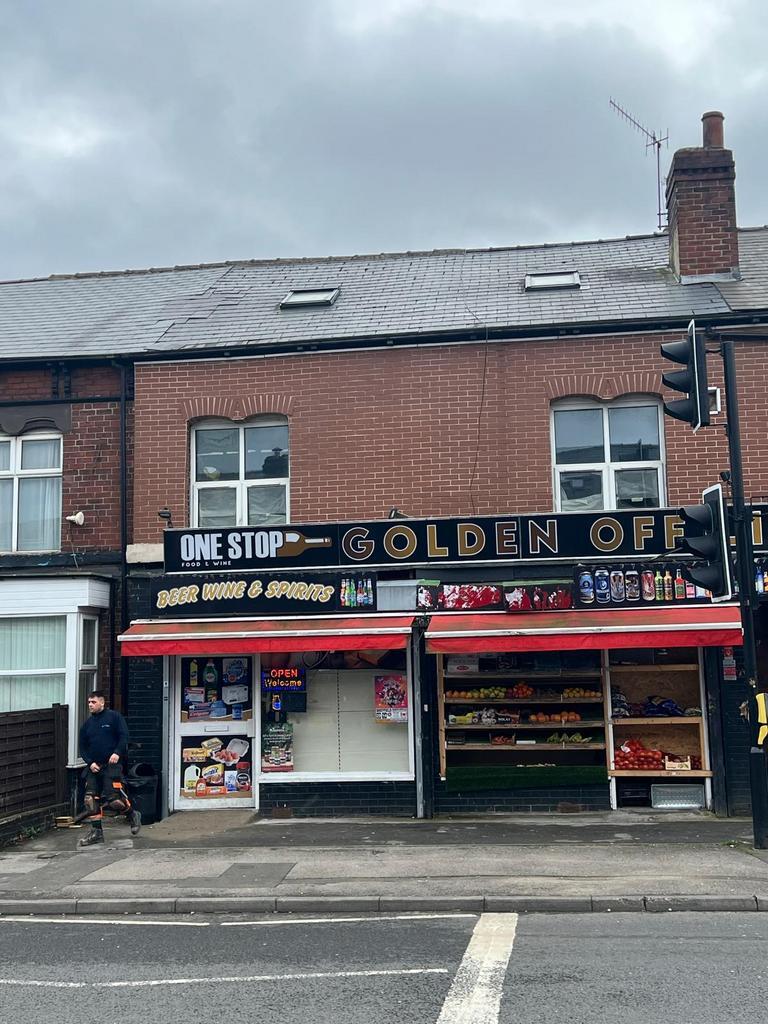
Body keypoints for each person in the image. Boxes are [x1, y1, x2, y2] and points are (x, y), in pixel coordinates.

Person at [77, 689, 141, 846]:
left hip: (112, 766)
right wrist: (90, 762)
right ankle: (97, 832)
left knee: (113, 801)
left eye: (93, 702)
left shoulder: (114, 717)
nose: (90, 705)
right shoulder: (87, 725)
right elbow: (83, 747)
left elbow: (124, 736)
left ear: (102, 702)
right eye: (89, 703)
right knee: (90, 800)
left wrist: (117, 752)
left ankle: (132, 814)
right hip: (94, 767)